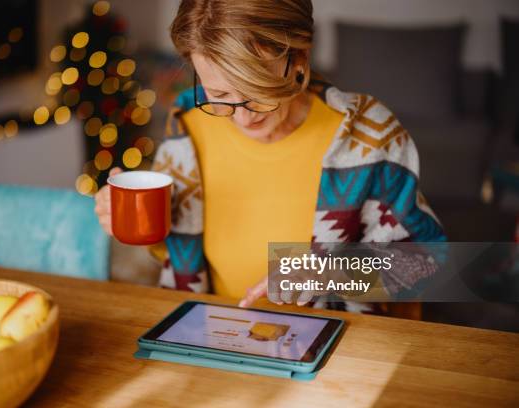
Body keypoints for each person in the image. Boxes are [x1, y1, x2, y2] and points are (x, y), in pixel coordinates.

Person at [95, 0, 446, 310]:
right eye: (218, 94)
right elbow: (175, 253)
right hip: (210, 336)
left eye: (258, 90)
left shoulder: (367, 133)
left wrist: (328, 273)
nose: (243, 116)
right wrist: (143, 225)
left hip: (337, 351)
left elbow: (430, 264)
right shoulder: (186, 128)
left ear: (300, 56)